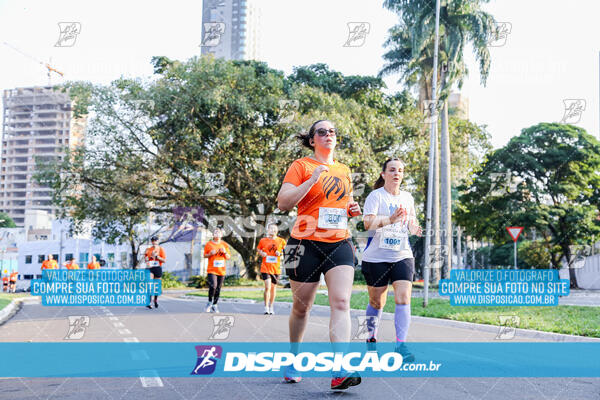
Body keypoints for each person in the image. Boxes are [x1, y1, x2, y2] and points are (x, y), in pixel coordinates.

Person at [277, 120, 362, 390]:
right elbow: (283, 202)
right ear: (312, 140)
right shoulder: (301, 166)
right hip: (302, 243)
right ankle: (293, 358)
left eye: (332, 131)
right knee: (302, 307)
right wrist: (312, 180)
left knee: (341, 302)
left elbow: (340, 202)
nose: (328, 135)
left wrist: (351, 209)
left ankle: (340, 370)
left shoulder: (344, 170)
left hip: (338, 242)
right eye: (322, 132)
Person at [361, 158, 422, 361]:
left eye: (401, 171)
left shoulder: (407, 198)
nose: (397, 174)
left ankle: (401, 345)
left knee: (403, 297)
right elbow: (367, 223)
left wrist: (414, 228)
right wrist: (390, 219)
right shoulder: (375, 196)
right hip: (376, 257)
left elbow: (412, 222)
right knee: (377, 301)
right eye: (392, 170)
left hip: (402, 254)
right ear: (383, 174)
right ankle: (370, 338)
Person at [256, 223, 286, 315]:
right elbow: (258, 249)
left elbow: (285, 252)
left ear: (277, 231)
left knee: (273, 288)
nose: (272, 230)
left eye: (274, 229)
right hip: (265, 267)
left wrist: (279, 254)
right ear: (268, 230)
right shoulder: (263, 240)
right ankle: (266, 307)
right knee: (267, 287)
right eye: (270, 228)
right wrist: (262, 253)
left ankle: (271, 306)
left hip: (276, 268)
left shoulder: (281, 241)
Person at [203, 228, 231, 313]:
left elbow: (228, 257)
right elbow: (205, 255)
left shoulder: (224, 245)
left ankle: (215, 305)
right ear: (213, 235)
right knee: (213, 286)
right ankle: (209, 302)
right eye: (215, 232)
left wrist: (225, 252)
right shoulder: (209, 244)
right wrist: (210, 254)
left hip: (221, 270)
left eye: (219, 233)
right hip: (212, 270)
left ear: (221, 235)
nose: (217, 234)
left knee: (218, 288)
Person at [144, 236, 166, 309]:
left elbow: (164, 260)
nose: (154, 242)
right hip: (150, 268)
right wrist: (147, 261)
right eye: (153, 241)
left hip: (157, 268)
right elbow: (146, 258)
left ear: (158, 241)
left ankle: (155, 300)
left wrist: (157, 257)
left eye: (155, 240)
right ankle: (148, 302)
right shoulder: (148, 249)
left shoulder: (161, 249)